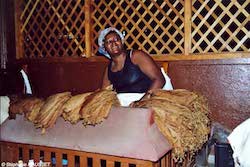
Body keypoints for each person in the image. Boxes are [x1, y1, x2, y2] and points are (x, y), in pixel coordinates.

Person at [98, 27, 166, 96]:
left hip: (147, 100)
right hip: (124, 104)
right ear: (104, 48)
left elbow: (159, 80)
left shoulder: (136, 56)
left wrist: (143, 100)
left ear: (122, 42)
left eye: (116, 39)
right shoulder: (109, 69)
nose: (114, 43)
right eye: (109, 42)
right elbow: (104, 93)